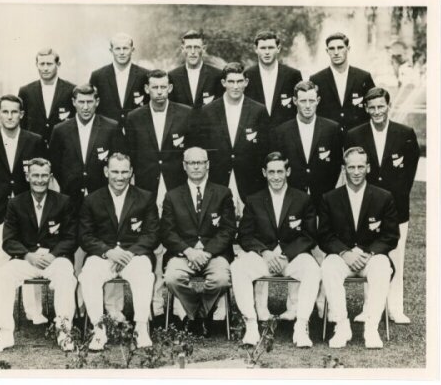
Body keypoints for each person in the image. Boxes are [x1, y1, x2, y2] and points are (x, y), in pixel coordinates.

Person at [48, 83, 126, 320]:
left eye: (89, 101)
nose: (85, 106)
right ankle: (77, 306)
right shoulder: (61, 130)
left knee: (109, 248)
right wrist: (70, 187)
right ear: (73, 103)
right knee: (75, 250)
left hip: (102, 200)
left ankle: (114, 308)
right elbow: (56, 164)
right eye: (80, 102)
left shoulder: (111, 127)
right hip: (71, 200)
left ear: (97, 102)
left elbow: (118, 161)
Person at [268, 80, 343, 320]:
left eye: (312, 100)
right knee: (296, 251)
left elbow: (337, 167)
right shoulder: (282, 131)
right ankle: (294, 306)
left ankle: (323, 306)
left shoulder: (332, 129)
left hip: (323, 201)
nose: (308, 105)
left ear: (318, 101)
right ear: (295, 102)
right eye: (303, 101)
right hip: (294, 203)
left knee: (322, 254)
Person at [0, 158, 78, 353]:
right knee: (3, 275)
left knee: (66, 276)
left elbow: (71, 238)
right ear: (28, 177)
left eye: (44, 175)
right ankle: (5, 333)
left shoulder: (63, 201)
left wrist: (53, 255)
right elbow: (8, 241)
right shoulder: (15, 203)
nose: (40, 180)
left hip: (55, 259)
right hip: (27, 259)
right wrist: (28, 255)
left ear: (50, 177)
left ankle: (64, 331)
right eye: (35, 175)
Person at [345, 87, 420, 324]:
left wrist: (395, 197)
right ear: (366, 108)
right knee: (370, 254)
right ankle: (369, 308)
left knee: (396, 256)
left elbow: (409, 171)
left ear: (388, 106)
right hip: (368, 207)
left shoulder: (405, 133)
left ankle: (395, 308)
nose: (377, 111)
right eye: (372, 107)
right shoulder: (355, 134)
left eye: (381, 106)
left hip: (396, 208)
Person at [0, 94, 47, 328]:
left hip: (27, 212)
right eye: (5, 112)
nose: (9, 116)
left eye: (14, 112)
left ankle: (34, 311)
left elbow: (39, 174)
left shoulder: (34, 141)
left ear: (21, 115)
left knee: (30, 259)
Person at [125, 69, 193, 320]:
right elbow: (131, 154)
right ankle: (153, 303)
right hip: (146, 189)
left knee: (177, 241)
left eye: (164, 87)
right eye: (154, 87)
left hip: (176, 188)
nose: (159, 92)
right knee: (151, 246)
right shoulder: (134, 117)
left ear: (170, 88)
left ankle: (178, 305)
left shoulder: (185, 113)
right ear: (146, 90)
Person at [232, 152, 320, 347]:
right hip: (264, 257)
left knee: (312, 269)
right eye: (271, 172)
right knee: (238, 267)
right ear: (264, 173)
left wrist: (287, 254)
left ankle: (301, 326)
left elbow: (309, 236)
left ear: (287, 171)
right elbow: (245, 235)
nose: (276, 177)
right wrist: (265, 252)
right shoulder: (254, 200)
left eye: (280, 171)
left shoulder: (302, 199)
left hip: (292, 258)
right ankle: (251, 325)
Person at [319, 147, 399, 349]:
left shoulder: (384, 197)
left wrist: (369, 253)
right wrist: (344, 253)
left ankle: (371, 328)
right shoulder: (330, 198)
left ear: (368, 168)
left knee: (382, 266)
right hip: (343, 257)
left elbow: (391, 236)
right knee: (328, 266)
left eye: (360, 167)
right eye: (351, 167)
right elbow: (324, 236)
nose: (356, 172)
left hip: (369, 257)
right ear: (344, 168)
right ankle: (341, 325)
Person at [78, 153, 159, 350]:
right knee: (88, 275)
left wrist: (129, 253)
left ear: (131, 172)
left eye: (124, 172)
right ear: (106, 172)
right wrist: (108, 252)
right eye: (115, 171)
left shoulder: (145, 197)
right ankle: (99, 330)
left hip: (134, 255)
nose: (120, 177)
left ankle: (141, 327)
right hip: (104, 256)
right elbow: (85, 236)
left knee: (144, 274)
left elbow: (152, 234)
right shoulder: (92, 200)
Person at [161, 147, 236, 335]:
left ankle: (197, 316)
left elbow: (228, 230)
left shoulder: (223, 193)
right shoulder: (172, 196)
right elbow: (167, 232)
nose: (196, 167)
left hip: (214, 254)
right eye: (191, 163)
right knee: (172, 278)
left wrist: (208, 252)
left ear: (208, 165)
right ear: (184, 166)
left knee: (220, 280)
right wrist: (189, 251)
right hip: (183, 254)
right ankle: (199, 314)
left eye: (200, 162)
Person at [198, 62, 269, 215]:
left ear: (246, 82)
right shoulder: (208, 111)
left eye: (239, 81)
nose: (235, 86)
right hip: (218, 179)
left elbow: (265, 149)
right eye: (231, 81)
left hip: (250, 182)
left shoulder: (259, 110)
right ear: (224, 83)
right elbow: (202, 147)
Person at [310, 32, 375, 132]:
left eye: (340, 47)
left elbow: (373, 106)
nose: (336, 52)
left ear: (348, 49)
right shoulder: (317, 79)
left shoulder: (363, 77)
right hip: (328, 136)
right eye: (331, 49)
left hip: (358, 136)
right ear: (327, 51)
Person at [89, 33, 149, 129]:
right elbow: (92, 107)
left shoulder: (144, 75)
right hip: (107, 134)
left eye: (125, 48)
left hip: (136, 133)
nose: (122, 52)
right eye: (117, 49)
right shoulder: (98, 76)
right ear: (111, 50)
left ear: (132, 50)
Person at [244, 30, 302, 128]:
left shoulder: (293, 75)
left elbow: (300, 106)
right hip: (257, 134)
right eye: (263, 48)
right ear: (256, 49)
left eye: (270, 48)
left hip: (285, 135)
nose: (267, 52)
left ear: (278, 48)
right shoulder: (247, 75)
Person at [18, 48, 76, 146]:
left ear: (58, 65)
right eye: (42, 64)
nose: (45, 68)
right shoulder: (25, 91)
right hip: (33, 149)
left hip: (62, 148)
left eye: (49, 64)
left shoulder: (71, 90)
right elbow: (21, 124)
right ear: (36, 65)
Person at [168, 30, 223, 108]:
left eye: (196, 47)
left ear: (203, 49)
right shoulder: (172, 76)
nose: (193, 52)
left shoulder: (217, 75)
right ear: (182, 49)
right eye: (189, 47)